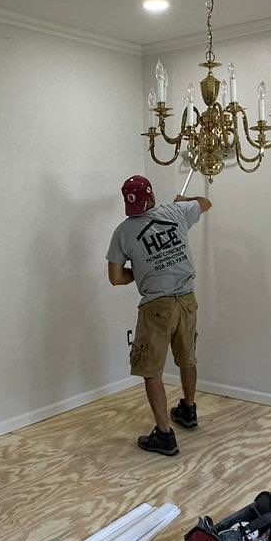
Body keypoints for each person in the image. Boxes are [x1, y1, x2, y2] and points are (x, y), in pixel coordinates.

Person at [106, 174, 212, 455]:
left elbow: (115, 278)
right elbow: (205, 202)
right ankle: (188, 410)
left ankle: (165, 435)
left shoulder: (123, 232)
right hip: (187, 301)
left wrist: (140, 271)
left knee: (151, 370)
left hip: (156, 308)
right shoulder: (176, 212)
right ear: (151, 195)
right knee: (187, 357)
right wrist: (184, 200)